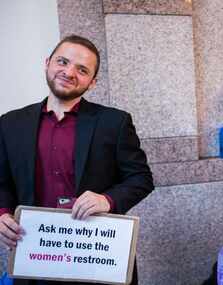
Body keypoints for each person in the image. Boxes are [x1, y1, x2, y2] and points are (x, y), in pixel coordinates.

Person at [0, 35, 154, 285]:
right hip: (34, 254)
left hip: (96, 257)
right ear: (48, 63)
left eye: (82, 70)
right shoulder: (10, 123)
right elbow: (2, 182)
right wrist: (3, 214)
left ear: (92, 82)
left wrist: (107, 199)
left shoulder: (115, 122)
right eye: (63, 62)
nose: (69, 72)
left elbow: (141, 179)